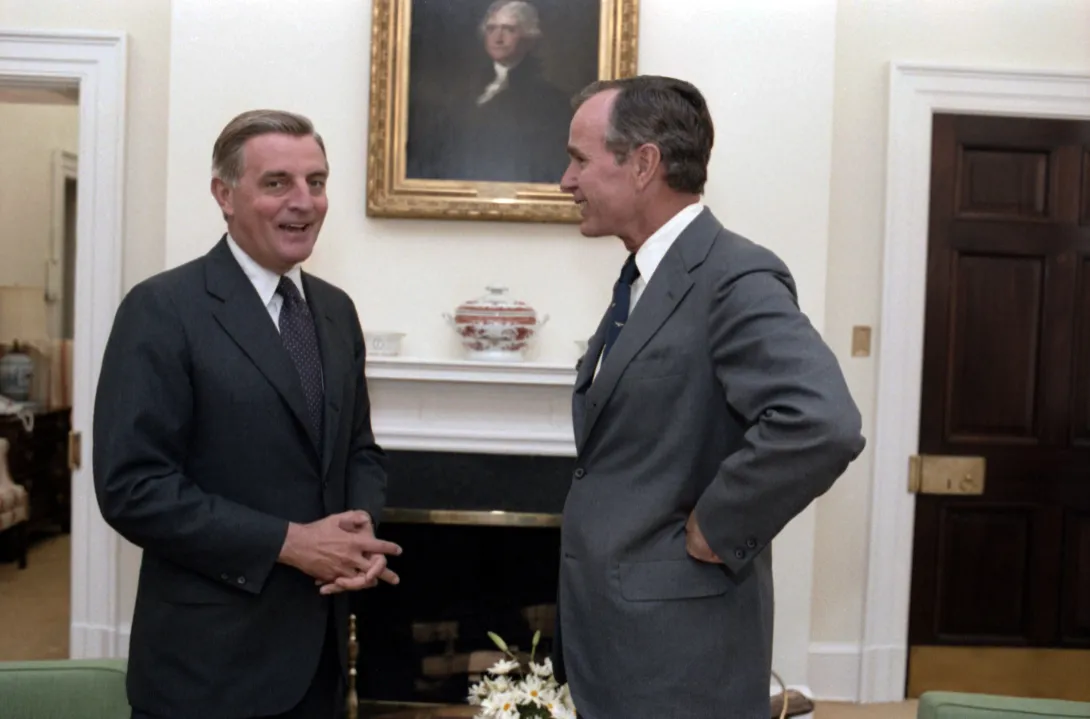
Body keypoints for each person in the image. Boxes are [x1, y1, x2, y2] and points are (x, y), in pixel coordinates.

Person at [552, 76, 866, 718]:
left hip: (679, 660)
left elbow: (822, 421)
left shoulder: (733, 276)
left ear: (643, 164)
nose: (566, 179)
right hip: (623, 646)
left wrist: (717, 527)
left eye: (580, 159)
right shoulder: (644, 277)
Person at [93, 109, 402, 719]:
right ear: (224, 195)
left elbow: (358, 447)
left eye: (316, 182)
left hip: (318, 665)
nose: (304, 202)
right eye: (277, 183)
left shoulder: (336, 311)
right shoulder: (162, 309)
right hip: (207, 672)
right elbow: (132, 488)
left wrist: (360, 528)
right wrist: (289, 543)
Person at [406, 0, 572, 183]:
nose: (498, 38)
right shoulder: (463, 90)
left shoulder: (550, 101)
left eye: (509, 29)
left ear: (529, 39)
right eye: (491, 29)